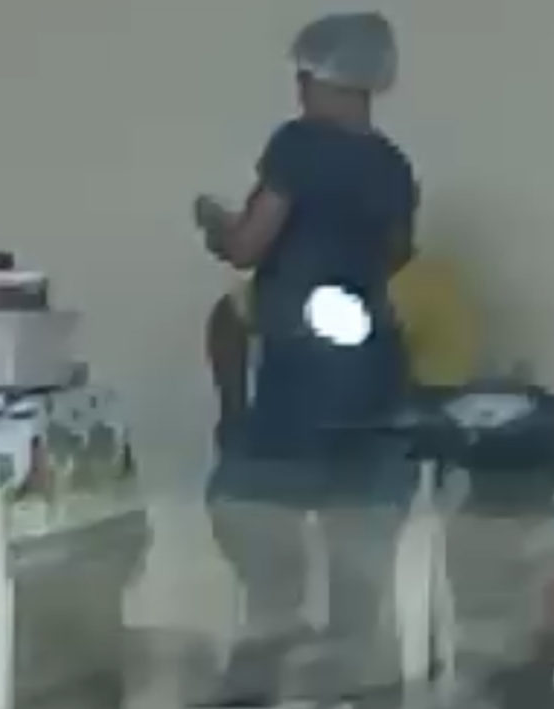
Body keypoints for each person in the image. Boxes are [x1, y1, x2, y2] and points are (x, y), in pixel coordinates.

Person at [193, 12, 424, 704]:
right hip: (374, 375)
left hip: (301, 377)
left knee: (260, 538)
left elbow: (247, 245)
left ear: (326, 80)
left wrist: (212, 222)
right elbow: (397, 253)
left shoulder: (296, 146)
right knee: (360, 572)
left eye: (304, 75)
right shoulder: (394, 165)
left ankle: (263, 683)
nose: (297, 88)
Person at [208, 217, 480, 449]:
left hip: (379, 448)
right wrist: (233, 413)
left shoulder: (429, 284)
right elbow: (228, 316)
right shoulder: (321, 273)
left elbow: (443, 399)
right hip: (298, 444)